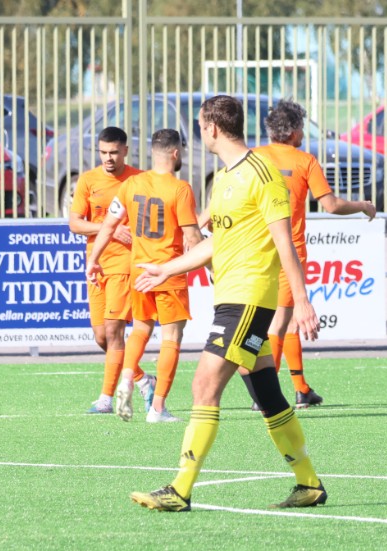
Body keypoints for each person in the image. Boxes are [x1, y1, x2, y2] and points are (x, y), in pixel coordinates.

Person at [128, 95, 325, 511]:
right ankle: (309, 484)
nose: (200, 133)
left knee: (203, 384)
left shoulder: (262, 174)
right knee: (269, 394)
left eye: (201, 126)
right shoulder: (224, 179)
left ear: (213, 128)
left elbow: (284, 240)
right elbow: (216, 242)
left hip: (250, 299)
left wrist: (303, 300)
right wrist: (169, 268)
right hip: (230, 298)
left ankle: (180, 489)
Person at [252, 100, 376, 408]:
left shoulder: (253, 157)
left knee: (290, 320)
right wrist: (362, 205)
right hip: (289, 252)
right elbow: (331, 205)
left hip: (255, 249)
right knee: (279, 323)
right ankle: (265, 397)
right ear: (294, 132)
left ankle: (301, 388)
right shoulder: (305, 160)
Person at [85, 129, 203, 423]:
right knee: (172, 337)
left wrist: (93, 259)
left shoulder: (132, 184)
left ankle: (127, 379)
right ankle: (158, 408)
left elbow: (109, 226)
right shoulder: (181, 189)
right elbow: (192, 237)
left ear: (153, 152)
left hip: (137, 271)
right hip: (168, 272)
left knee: (139, 330)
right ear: (176, 154)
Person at [68, 127, 154, 414]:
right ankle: (143, 380)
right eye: (103, 152)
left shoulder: (140, 180)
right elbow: (75, 224)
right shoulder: (89, 180)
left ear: (125, 151)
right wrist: (111, 230)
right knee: (101, 337)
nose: (108, 158)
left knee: (115, 331)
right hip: (97, 264)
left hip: (124, 265)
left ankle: (106, 398)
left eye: (114, 152)